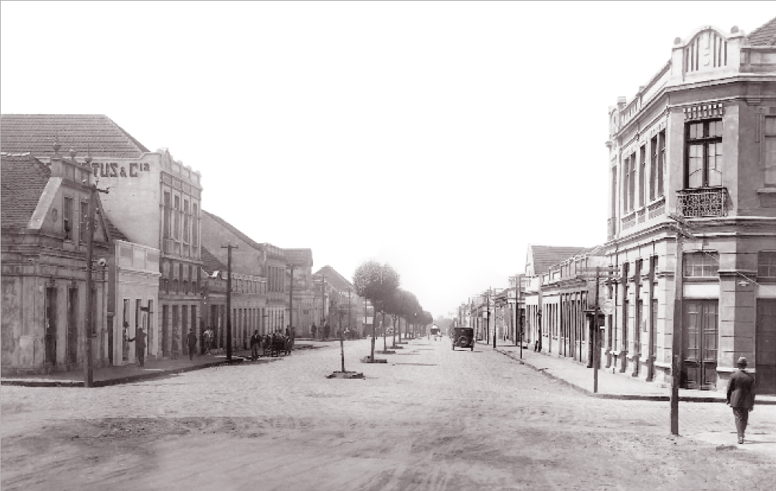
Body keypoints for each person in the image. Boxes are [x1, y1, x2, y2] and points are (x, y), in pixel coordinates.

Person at [726, 356, 756, 444]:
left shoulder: (733, 375)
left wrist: (728, 399)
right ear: (745, 365)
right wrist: (751, 403)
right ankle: (742, 433)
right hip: (746, 400)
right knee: (744, 418)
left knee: (738, 418)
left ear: (738, 365)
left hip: (735, 399)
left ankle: (740, 436)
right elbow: (752, 392)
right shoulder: (750, 377)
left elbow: (729, 389)